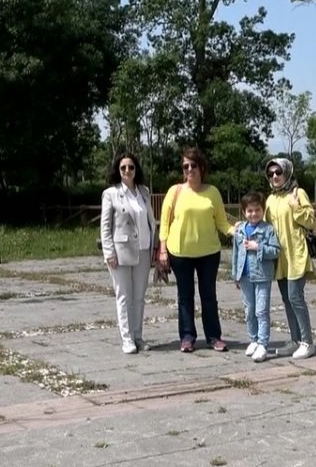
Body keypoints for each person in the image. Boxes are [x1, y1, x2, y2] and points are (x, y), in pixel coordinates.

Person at [157, 147, 235, 352]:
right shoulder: (175, 192)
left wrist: (241, 230)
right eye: (185, 166)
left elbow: (222, 223)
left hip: (209, 254)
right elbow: (164, 225)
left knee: (209, 296)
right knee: (185, 296)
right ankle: (187, 337)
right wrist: (163, 251)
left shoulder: (213, 192)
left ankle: (214, 336)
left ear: (201, 167)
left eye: (193, 165)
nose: (189, 169)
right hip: (180, 253)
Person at [99, 152, 157, 354]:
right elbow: (105, 227)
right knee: (123, 296)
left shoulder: (144, 191)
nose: (127, 171)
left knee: (139, 296)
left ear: (136, 169)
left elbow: (150, 221)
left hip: (143, 250)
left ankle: (138, 335)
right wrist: (109, 253)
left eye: (131, 167)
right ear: (118, 170)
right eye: (123, 167)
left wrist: (155, 247)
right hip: (120, 252)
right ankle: (127, 339)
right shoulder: (111, 193)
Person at [264, 157, 316, 359]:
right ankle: (295, 340)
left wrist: (296, 206)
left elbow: (310, 221)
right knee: (287, 300)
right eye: (271, 174)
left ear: (287, 172)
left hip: (296, 253)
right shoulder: (270, 199)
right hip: (280, 257)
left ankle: (307, 341)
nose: (275, 176)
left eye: (278, 172)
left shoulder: (298, 193)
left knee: (296, 297)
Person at [230, 192, 280, 362]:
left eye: (257, 210)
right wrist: (235, 275)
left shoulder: (268, 230)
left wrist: (258, 247)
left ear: (262, 210)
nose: (254, 214)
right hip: (245, 277)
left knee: (261, 311)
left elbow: (275, 251)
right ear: (244, 212)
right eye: (250, 210)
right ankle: (253, 339)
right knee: (249, 310)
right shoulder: (240, 230)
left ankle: (263, 344)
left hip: (262, 276)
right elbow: (236, 254)